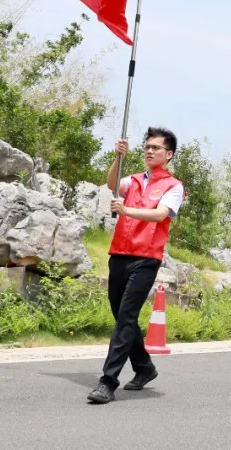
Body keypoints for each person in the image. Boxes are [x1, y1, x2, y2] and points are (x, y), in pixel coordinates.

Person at [88, 128, 186, 405]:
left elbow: (160, 215)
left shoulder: (173, 186)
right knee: (122, 317)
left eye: (156, 148)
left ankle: (108, 382)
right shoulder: (132, 180)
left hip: (146, 258)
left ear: (169, 154)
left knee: (126, 317)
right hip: (119, 253)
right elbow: (111, 184)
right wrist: (117, 158)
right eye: (147, 147)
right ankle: (144, 367)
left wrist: (126, 210)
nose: (150, 151)